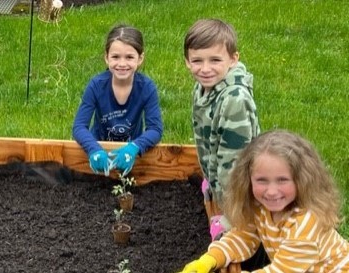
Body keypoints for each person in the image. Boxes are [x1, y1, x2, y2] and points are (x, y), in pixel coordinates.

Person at [178, 130, 349, 273]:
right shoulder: (260, 207)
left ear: (302, 180)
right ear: (248, 179)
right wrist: (211, 258)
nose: (272, 191)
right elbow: (243, 237)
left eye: (282, 180)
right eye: (262, 180)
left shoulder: (306, 221)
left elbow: (282, 271)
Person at [184, 18, 260, 241]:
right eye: (197, 60)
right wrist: (210, 178)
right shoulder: (204, 88)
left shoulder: (234, 100)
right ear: (187, 61)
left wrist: (229, 216)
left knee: (239, 243)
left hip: (241, 193)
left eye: (215, 60)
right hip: (220, 179)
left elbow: (235, 164)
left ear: (233, 59)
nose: (205, 69)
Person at [72, 23, 163, 177]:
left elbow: (155, 129)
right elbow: (79, 126)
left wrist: (134, 147)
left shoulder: (147, 88)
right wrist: (93, 149)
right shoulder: (96, 86)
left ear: (140, 58)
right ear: (106, 58)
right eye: (115, 57)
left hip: (130, 153)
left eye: (129, 57)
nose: (122, 64)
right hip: (100, 150)